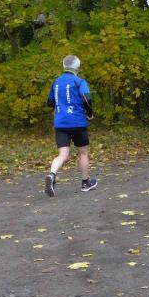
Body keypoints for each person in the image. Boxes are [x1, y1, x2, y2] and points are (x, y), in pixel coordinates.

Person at [44, 55, 97, 197]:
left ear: (64, 66)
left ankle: (51, 174)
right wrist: (90, 113)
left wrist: (62, 104)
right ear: (77, 68)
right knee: (83, 153)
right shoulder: (79, 81)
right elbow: (86, 98)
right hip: (77, 122)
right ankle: (85, 183)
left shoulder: (56, 82)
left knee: (63, 155)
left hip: (60, 123)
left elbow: (50, 102)